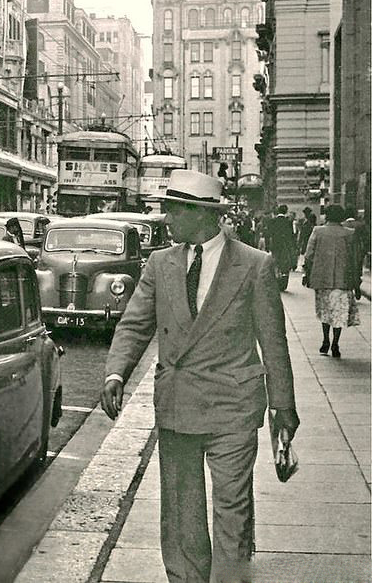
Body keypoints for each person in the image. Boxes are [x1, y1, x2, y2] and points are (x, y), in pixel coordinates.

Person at [100, 170, 299, 583]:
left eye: (173, 209)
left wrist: (284, 407)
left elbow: (273, 342)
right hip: (178, 404)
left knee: (232, 507)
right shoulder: (160, 263)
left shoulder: (254, 265)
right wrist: (116, 372)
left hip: (234, 406)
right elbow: (135, 324)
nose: (167, 218)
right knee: (182, 508)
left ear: (200, 214)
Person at [304, 204, 361, 357]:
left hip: (322, 279)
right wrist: (357, 281)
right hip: (343, 279)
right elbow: (356, 258)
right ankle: (335, 343)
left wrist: (308, 271)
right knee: (339, 313)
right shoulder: (350, 233)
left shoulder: (318, 231)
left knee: (325, 311)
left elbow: (309, 254)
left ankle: (325, 340)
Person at [264, 205, 296, 286]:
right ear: (286, 211)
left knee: (275, 262)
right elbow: (291, 236)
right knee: (284, 263)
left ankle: (275, 278)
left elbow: (268, 234)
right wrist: (293, 247)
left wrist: (267, 246)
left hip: (275, 245)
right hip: (284, 245)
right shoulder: (288, 222)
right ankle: (283, 282)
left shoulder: (272, 221)